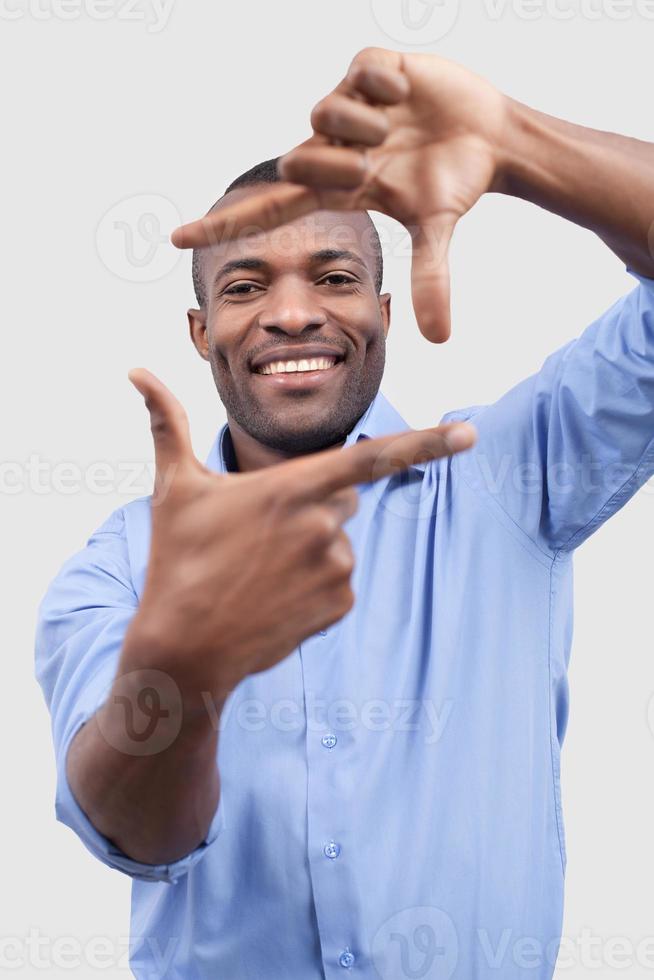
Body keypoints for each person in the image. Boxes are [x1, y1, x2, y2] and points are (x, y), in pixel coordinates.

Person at [36, 47, 654, 980]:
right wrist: (185, 664)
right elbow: (133, 830)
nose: (291, 314)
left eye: (332, 277)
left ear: (382, 310)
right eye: (245, 287)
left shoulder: (504, 478)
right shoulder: (120, 564)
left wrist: (521, 146)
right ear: (201, 333)